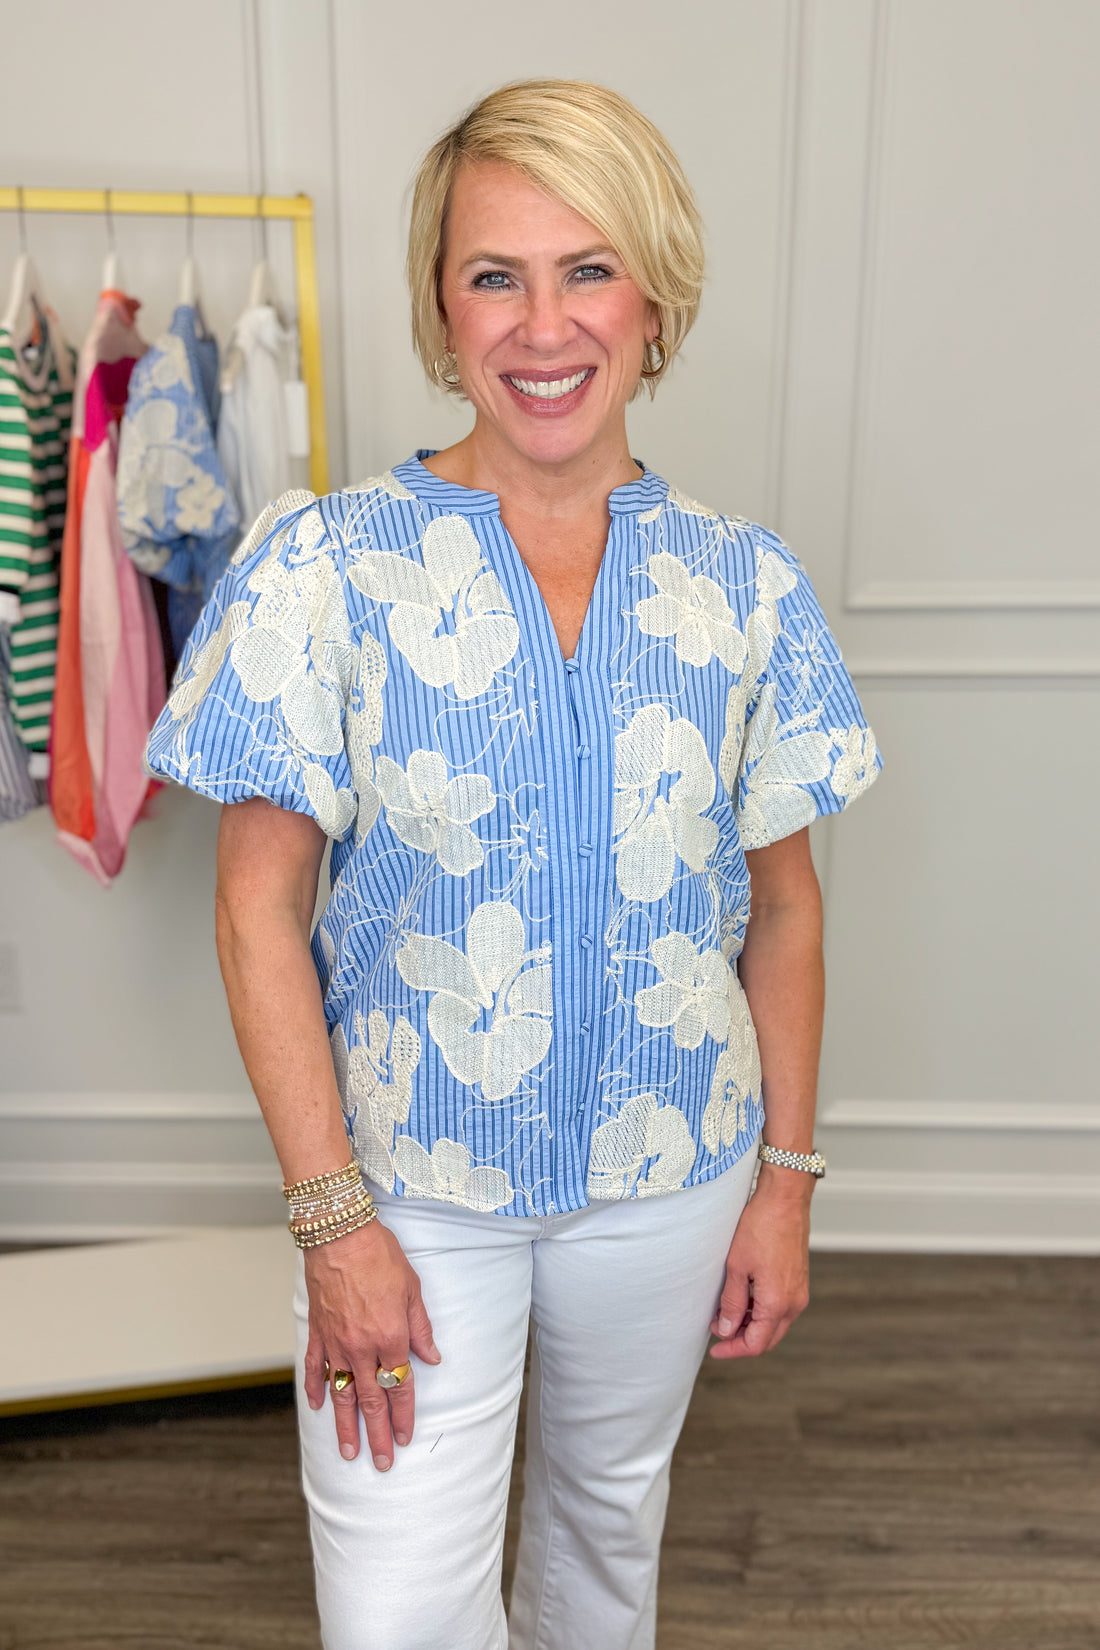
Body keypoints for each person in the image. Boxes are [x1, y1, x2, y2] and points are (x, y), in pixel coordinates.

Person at [144, 77, 881, 1650]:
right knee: (400, 1612)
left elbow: (786, 911)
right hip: (409, 1184)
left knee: (605, 1540)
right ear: (441, 304)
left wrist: (783, 1183)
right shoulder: (327, 567)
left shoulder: (744, 589)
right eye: (495, 275)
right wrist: (332, 1219)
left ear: (654, 299)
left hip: (674, 1168)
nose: (545, 326)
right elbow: (256, 906)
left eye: (588, 269)